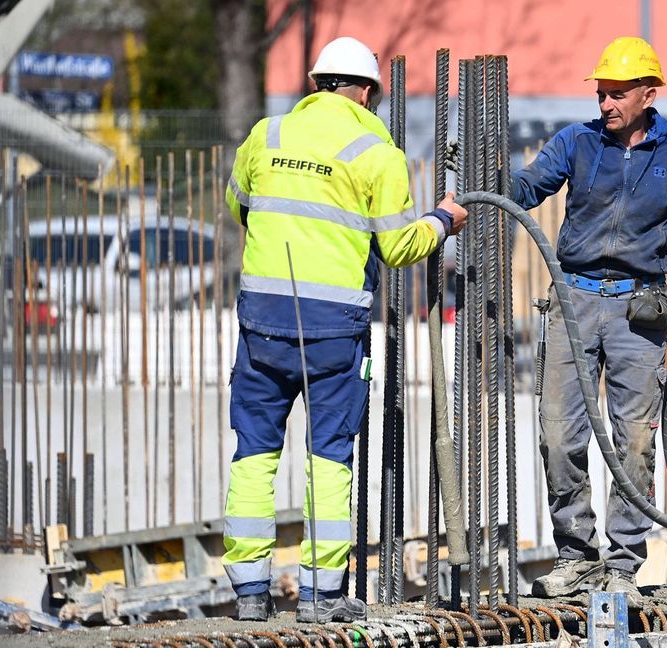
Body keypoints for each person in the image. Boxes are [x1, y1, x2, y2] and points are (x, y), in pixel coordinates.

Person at [221, 36, 467, 623]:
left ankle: (250, 591)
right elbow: (399, 247)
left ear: (316, 84)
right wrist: (443, 220)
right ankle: (321, 596)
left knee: (253, 452)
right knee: (329, 458)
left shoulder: (267, 135)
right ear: (366, 93)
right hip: (334, 331)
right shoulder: (377, 153)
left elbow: (240, 208)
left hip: (262, 323)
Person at [510, 36, 667, 604]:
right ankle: (576, 556)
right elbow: (528, 187)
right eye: (601, 94)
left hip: (639, 311)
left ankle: (623, 565)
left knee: (634, 441)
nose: (606, 104)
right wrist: (481, 182)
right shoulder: (576, 142)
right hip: (574, 302)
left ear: (647, 95)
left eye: (617, 94)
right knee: (558, 436)